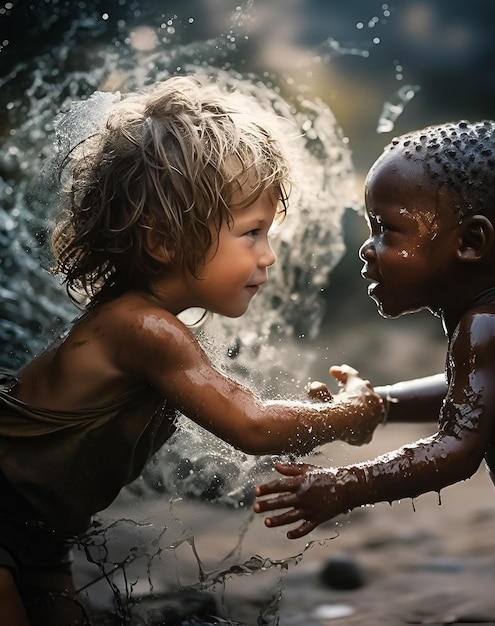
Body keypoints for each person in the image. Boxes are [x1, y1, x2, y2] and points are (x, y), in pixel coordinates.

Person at [0, 76, 385, 625]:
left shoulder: (141, 323)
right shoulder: (143, 329)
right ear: (161, 241)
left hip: (39, 531)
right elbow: (249, 424)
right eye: (252, 233)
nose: (268, 256)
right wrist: (345, 417)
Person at [254, 120, 495, 625]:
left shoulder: (489, 327)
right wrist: (380, 405)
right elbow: (467, 395)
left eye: (386, 229)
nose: (367, 249)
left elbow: (456, 450)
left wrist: (346, 485)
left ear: (470, 241)